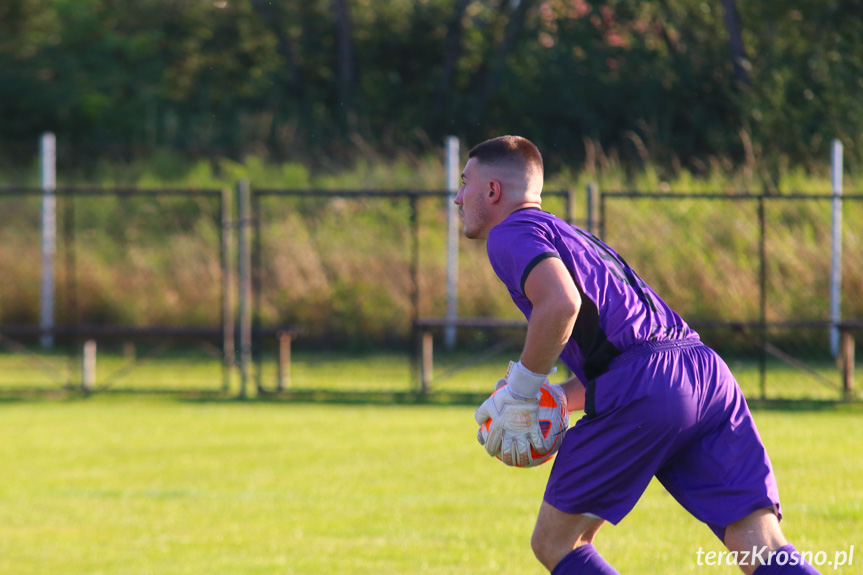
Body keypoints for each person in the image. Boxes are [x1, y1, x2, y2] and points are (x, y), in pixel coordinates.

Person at [457, 135, 821, 575]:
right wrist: (555, 397)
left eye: (464, 183)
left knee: (557, 541)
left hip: (649, 383)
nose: (458, 197)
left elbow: (561, 305)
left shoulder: (510, 232)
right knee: (758, 543)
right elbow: (627, 347)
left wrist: (520, 391)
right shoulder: (574, 234)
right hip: (705, 374)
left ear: (492, 191)